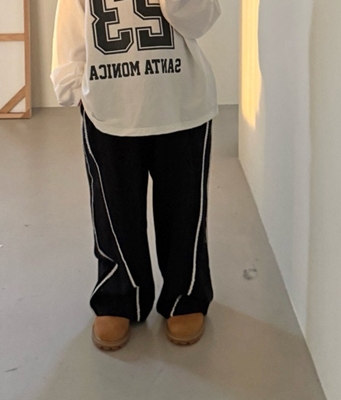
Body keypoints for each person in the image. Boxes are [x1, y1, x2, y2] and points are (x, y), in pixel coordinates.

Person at [51, 0, 221, 350]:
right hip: (109, 105)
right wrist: (73, 84)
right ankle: (119, 296)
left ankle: (185, 295)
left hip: (181, 102)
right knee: (113, 211)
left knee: (184, 210)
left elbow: (200, 21)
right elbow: (70, 23)